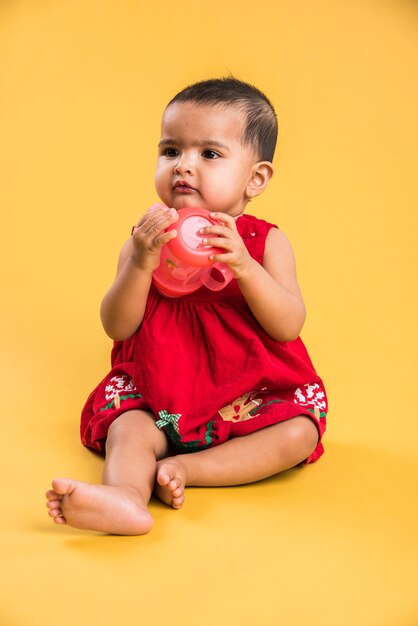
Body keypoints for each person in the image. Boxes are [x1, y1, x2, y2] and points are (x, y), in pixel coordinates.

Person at [46, 77, 327, 535]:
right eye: (171, 151)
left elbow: (288, 325)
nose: (184, 167)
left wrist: (244, 267)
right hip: (163, 397)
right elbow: (117, 327)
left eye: (209, 154)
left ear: (255, 178)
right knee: (130, 427)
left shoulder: (264, 242)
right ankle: (126, 498)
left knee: (299, 432)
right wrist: (140, 264)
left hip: (246, 398)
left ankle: (189, 471)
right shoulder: (145, 241)